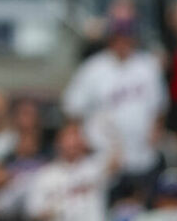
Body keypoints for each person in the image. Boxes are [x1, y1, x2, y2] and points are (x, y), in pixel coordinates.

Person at [62, 11, 168, 191]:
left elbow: (160, 107)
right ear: (110, 39)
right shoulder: (93, 68)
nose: (122, 42)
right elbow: (72, 109)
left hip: (143, 158)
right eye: (118, 37)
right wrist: (84, 144)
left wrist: (156, 130)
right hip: (104, 159)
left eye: (127, 36)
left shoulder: (147, 65)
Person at [25, 120, 118, 221]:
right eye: (68, 137)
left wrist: (107, 131)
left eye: (76, 136)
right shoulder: (45, 175)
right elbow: (34, 213)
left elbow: (116, 161)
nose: (73, 142)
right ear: (58, 142)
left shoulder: (95, 167)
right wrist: (55, 208)